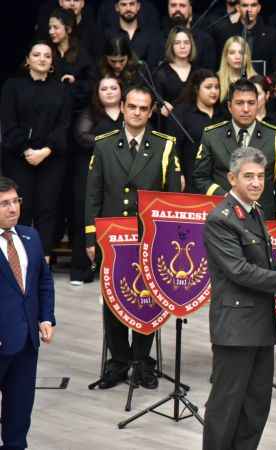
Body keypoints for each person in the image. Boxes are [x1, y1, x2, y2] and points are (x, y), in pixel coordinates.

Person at [202, 147, 276, 450]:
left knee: (255, 406)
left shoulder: (254, 212)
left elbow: (262, 266)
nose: (255, 183)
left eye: (261, 177)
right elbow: (240, 271)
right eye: (248, 176)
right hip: (235, 328)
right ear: (232, 178)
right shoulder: (221, 218)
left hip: (260, 325)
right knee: (225, 407)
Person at [85, 85, 182, 389]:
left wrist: (167, 239)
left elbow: (172, 197)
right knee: (113, 300)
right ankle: (119, 361)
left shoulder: (165, 145)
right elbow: (93, 193)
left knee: (147, 298)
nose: (138, 112)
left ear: (151, 111)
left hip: (148, 236)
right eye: (133, 107)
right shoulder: (103, 144)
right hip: (111, 236)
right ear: (123, 107)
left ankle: (142, 361)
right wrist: (91, 236)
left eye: (144, 108)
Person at [1, 41, 72, 259]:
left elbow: (64, 124)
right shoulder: (12, 86)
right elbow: (8, 122)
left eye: (47, 56)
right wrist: (26, 150)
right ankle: (18, 259)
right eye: (37, 54)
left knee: (47, 210)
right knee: (20, 209)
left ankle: (44, 260)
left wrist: (45, 150)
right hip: (18, 157)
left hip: (51, 158)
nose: (42, 59)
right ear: (28, 59)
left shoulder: (61, 89)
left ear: (52, 62)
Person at [0, 176, 56, 450]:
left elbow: (43, 280)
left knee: (19, 414)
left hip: (26, 344)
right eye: (4, 204)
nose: (13, 209)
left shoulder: (30, 236)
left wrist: (46, 317)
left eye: (15, 201)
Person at [192, 79, 276, 220]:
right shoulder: (212, 135)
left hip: (263, 219)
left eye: (251, 103)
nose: (246, 109)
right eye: (239, 103)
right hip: (223, 215)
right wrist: (225, 196)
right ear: (229, 106)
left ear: (258, 104)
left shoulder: (274, 136)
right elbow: (200, 178)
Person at [71, 76, 124, 285]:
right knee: (85, 216)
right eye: (104, 88)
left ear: (122, 91)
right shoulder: (90, 113)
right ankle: (81, 268)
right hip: (90, 171)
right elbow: (82, 137)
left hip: (120, 173)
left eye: (114, 88)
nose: (109, 91)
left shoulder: (129, 112)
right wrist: (113, 141)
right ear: (97, 92)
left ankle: (114, 266)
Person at [168, 69, 226, 190]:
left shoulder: (224, 114)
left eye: (217, 87)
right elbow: (174, 146)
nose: (214, 91)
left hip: (220, 180)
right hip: (190, 177)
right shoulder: (182, 113)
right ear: (196, 89)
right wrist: (178, 174)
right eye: (208, 87)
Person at [48, 7, 96, 112]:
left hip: (76, 108)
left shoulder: (81, 53)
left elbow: (91, 83)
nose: (51, 31)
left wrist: (75, 82)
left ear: (68, 29)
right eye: (50, 27)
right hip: (51, 106)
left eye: (55, 27)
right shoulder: (46, 52)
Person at [218, 0, 276, 76]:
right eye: (245, 5)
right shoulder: (226, 33)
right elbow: (221, 65)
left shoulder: (272, 35)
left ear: (259, 8)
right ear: (238, 8)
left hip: (263, 83)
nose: (249, 10)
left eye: (253, 5)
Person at [154, 26, 197, 120]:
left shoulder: (198, 72)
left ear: (191, 45)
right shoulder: (161, 73)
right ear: (171, 46)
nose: (182, 46)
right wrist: (160, 106)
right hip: (170, 124)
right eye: (177, 43)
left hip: (195, 124)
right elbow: (156, 103)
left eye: (186, 42)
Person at [103, 0, 162, 68]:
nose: (128, 8)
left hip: (144, 77)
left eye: (132, 4)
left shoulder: (151, 34)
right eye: (123, 5)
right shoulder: (108, 35)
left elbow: (153, 65)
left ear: (138, 6)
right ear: (117, 7)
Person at [161, 0, 217, 71]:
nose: (177, 9)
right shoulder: (158, 39)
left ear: (190, 9)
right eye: (173, 5)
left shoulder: (205, 41)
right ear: (168, 8)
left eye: (182, 5)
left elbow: (210, 74)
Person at [216, 35, 257, 104]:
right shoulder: (216, 80)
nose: (237, 57)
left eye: (241, 53)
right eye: (232, 53)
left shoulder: (256, 80)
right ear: (226, 57)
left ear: (247, 56)